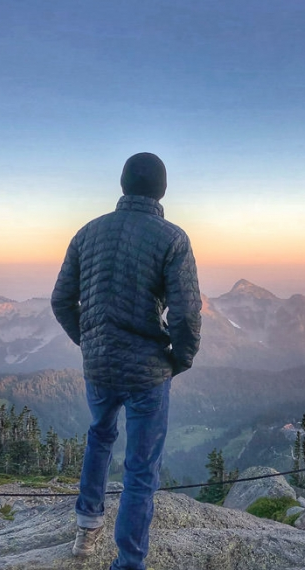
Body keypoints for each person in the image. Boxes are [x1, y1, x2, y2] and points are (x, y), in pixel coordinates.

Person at [51, 152, 202, 570]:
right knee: (140, 468)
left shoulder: (87, 233)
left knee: (99, 435)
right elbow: (186, 313)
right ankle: (129, 562)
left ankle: (86, 524)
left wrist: (89, 340)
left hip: (99, 365)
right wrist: (180, 358)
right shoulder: (172, 238)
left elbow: (61, 300)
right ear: (163, 190)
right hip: (147, 371)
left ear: (122, 184)